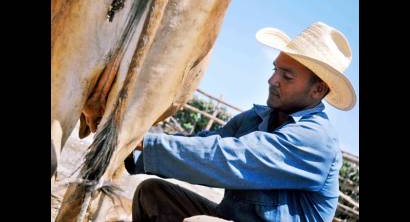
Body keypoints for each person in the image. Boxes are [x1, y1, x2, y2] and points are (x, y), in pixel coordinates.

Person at [124, 22, 356, 222]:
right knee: (153, 195)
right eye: (275, 70)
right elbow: (205, 143)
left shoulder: (316, 139)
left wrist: (142, 140)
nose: (272, 80)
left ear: (317, 90)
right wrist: (129, 149)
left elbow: (232, 156)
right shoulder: (255, 119)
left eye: (286, 76)